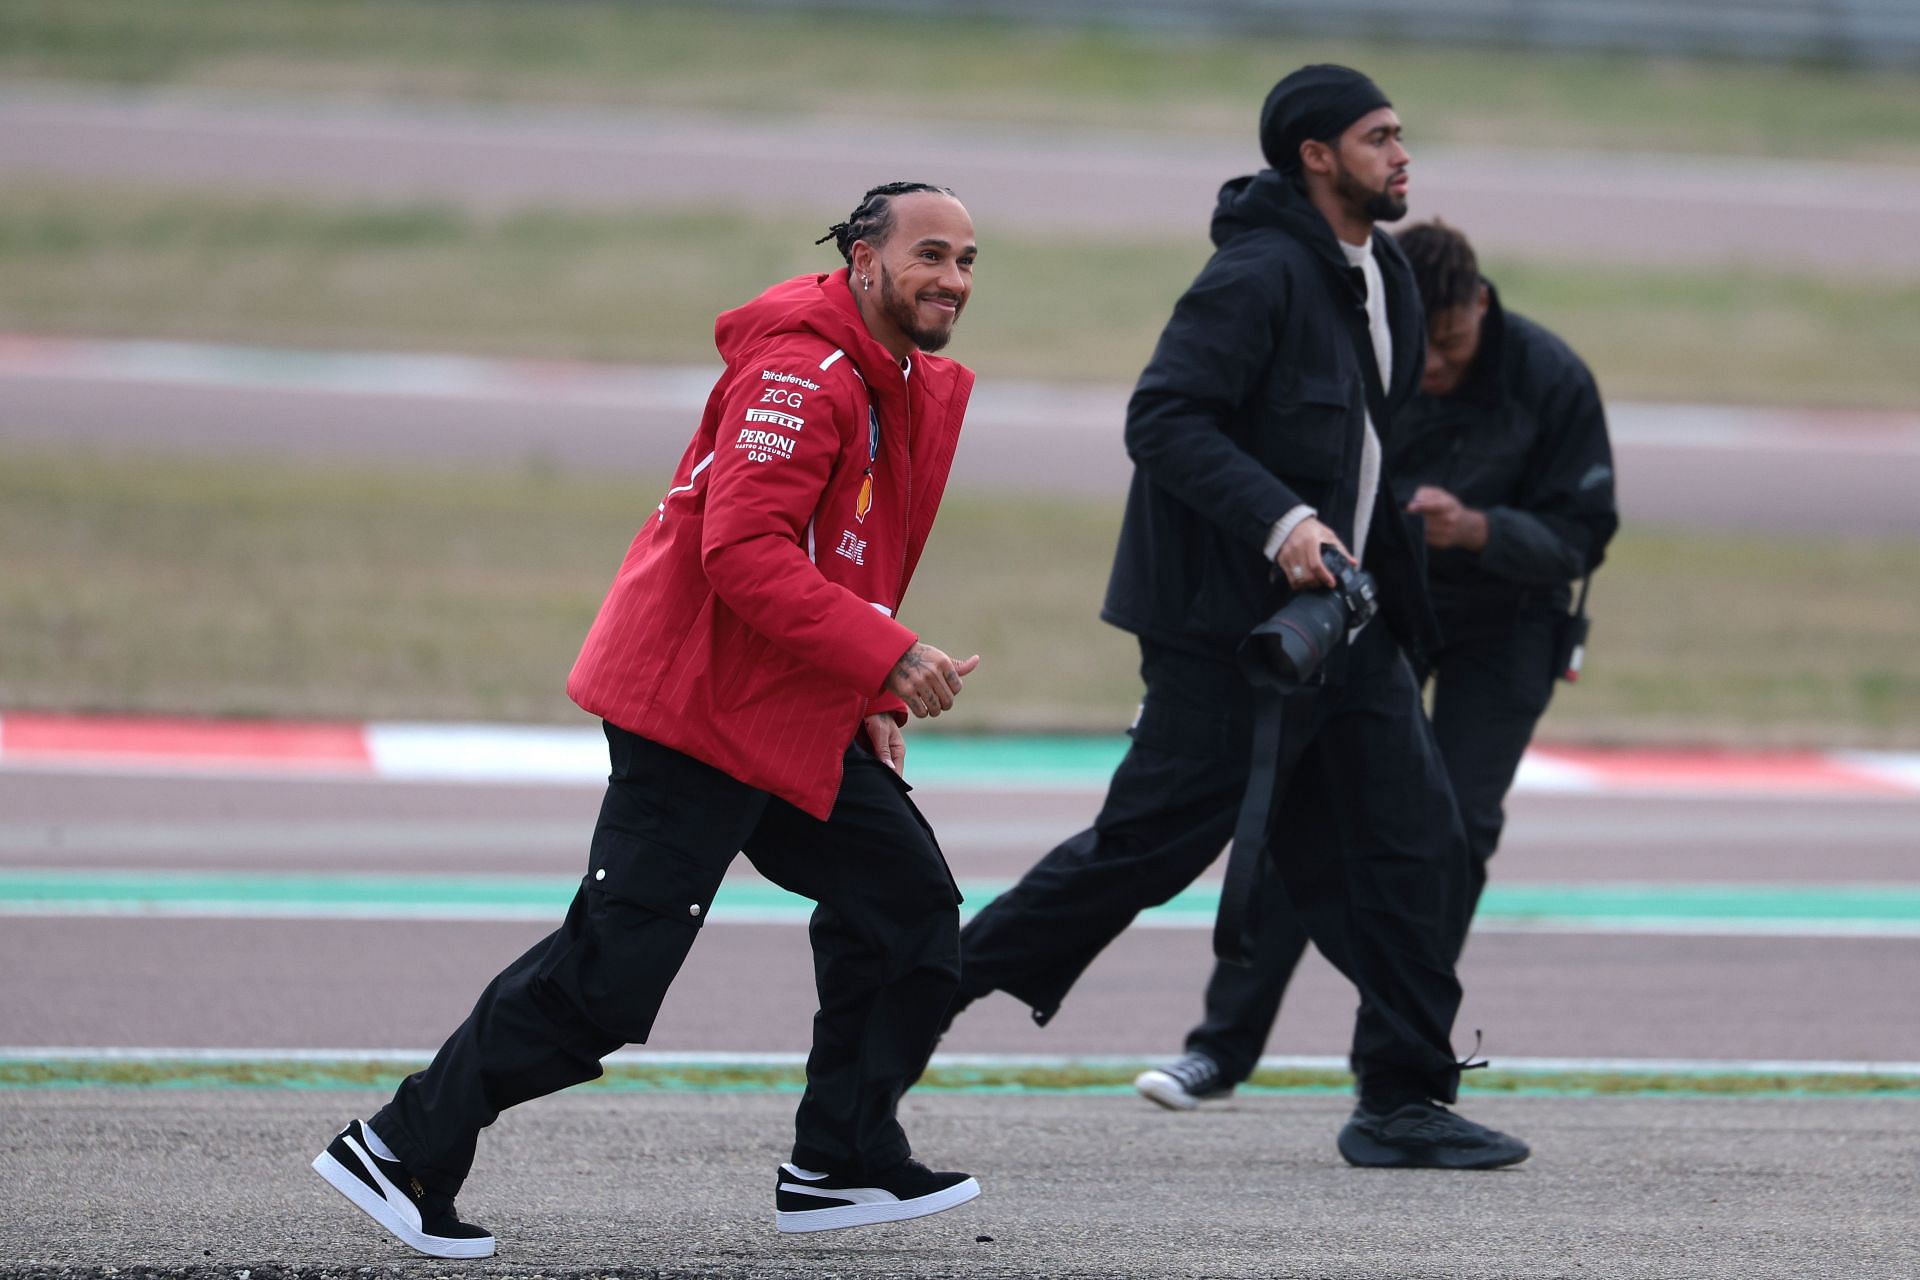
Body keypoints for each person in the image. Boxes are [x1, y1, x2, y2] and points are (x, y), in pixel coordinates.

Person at [311, 182, 988, 1253]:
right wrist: (890, 656)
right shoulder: (800, 372)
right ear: (863, 259)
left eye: (966, 259)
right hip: (695, 711)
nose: (951, 278)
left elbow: (846, 550)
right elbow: (745, 553)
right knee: (610, 981)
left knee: (907, 909)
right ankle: (400, 1146)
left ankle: (841, 1160)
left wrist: (861, 694)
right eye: (929, 255)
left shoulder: (891, 376)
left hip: (782, 706)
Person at [924, 67, 1528, 1170]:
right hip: (1228, 637)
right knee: (1142, 853)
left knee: (1418, 844)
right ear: (1315, 154)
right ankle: (916, 998)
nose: (1402, 156)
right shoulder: (1255, 277)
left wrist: (1391, 600)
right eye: (1379, 138)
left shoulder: (1388, 274)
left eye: (1401, 136)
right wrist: (1283, 521)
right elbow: (1163, 416)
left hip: (1347, 632)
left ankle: (1401, 1097)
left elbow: (1377, 456)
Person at [1135, 219, 1620, 1113]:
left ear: (1481, 303)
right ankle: (1220, 1048)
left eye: (1451, 344)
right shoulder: (1363, 349)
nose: (1431, 367)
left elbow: (1586, 533)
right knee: (1302, 817)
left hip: (1504, 625)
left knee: (1457, 834)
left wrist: (1478, 529)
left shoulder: (1550, 379)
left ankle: (1399, 1066)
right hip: (1371, 613)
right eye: (1421, 344)